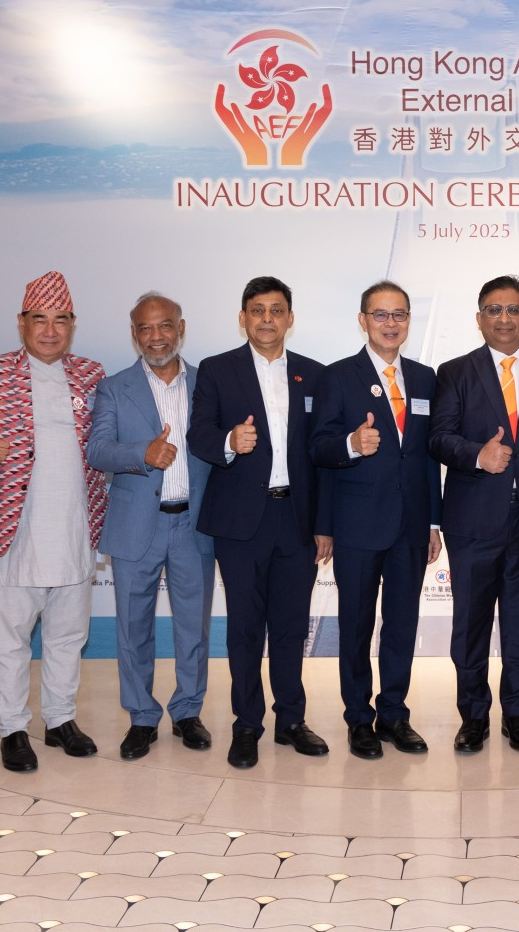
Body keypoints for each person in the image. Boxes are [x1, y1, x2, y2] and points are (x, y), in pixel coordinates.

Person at [0, 271, 108, 773]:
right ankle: (13, 729)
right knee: (11, 638)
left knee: (68, 634)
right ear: (21, 323)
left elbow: (105, 442)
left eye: (60, 320)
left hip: (75, 526)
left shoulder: (91, 374)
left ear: (72, 325)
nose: (50, 330)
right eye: (39, 319)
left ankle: (60, 720)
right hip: (15, 527)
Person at [430, 274, 519, 754]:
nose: (504, 318)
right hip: (473, 520)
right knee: (470, 626)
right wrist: (478, 455)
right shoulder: (455, 372)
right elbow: (439, 438)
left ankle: (517, 714)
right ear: (479, 319)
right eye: (494, 310)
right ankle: (473, 716)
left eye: (514, 309)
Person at [189, 275, 329, 769]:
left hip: (297, 519)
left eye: (276, 310)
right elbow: (198, 435)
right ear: (243, 318)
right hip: (241, 521)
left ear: (290, 318)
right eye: (257, 310)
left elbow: (322, 456)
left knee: (291, 627)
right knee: (245, 628)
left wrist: (324, 523)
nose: (267, 319)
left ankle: (291, 720)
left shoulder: (315, 375)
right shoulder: (217, 370)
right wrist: (230, 441)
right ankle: (247, 723)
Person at [310, 280, 442, 759]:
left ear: (409, 321)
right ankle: (358, 719)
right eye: (381, 314)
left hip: (411, 525)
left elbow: (428, 457)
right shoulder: (337, 377)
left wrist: (433, 523)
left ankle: (394, 715)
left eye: (399, 314)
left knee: (402, 625)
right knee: (356, 625)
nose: (390, 323)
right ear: (363, 320)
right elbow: (318, 448)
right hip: (357, 523)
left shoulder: (425, 378)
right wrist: (350, 443)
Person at [87, 292, 218, 760]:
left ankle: (188, 711)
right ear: (134, 334)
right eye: (145, 328)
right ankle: (142, 716)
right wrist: (141, 453)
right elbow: (97, 449)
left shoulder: (209, 383)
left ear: (181, 328)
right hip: (135, 525)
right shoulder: (113, 388)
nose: (156, 336)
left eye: (165, 326)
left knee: (193, 628)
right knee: (133, 628)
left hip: (194, 525)